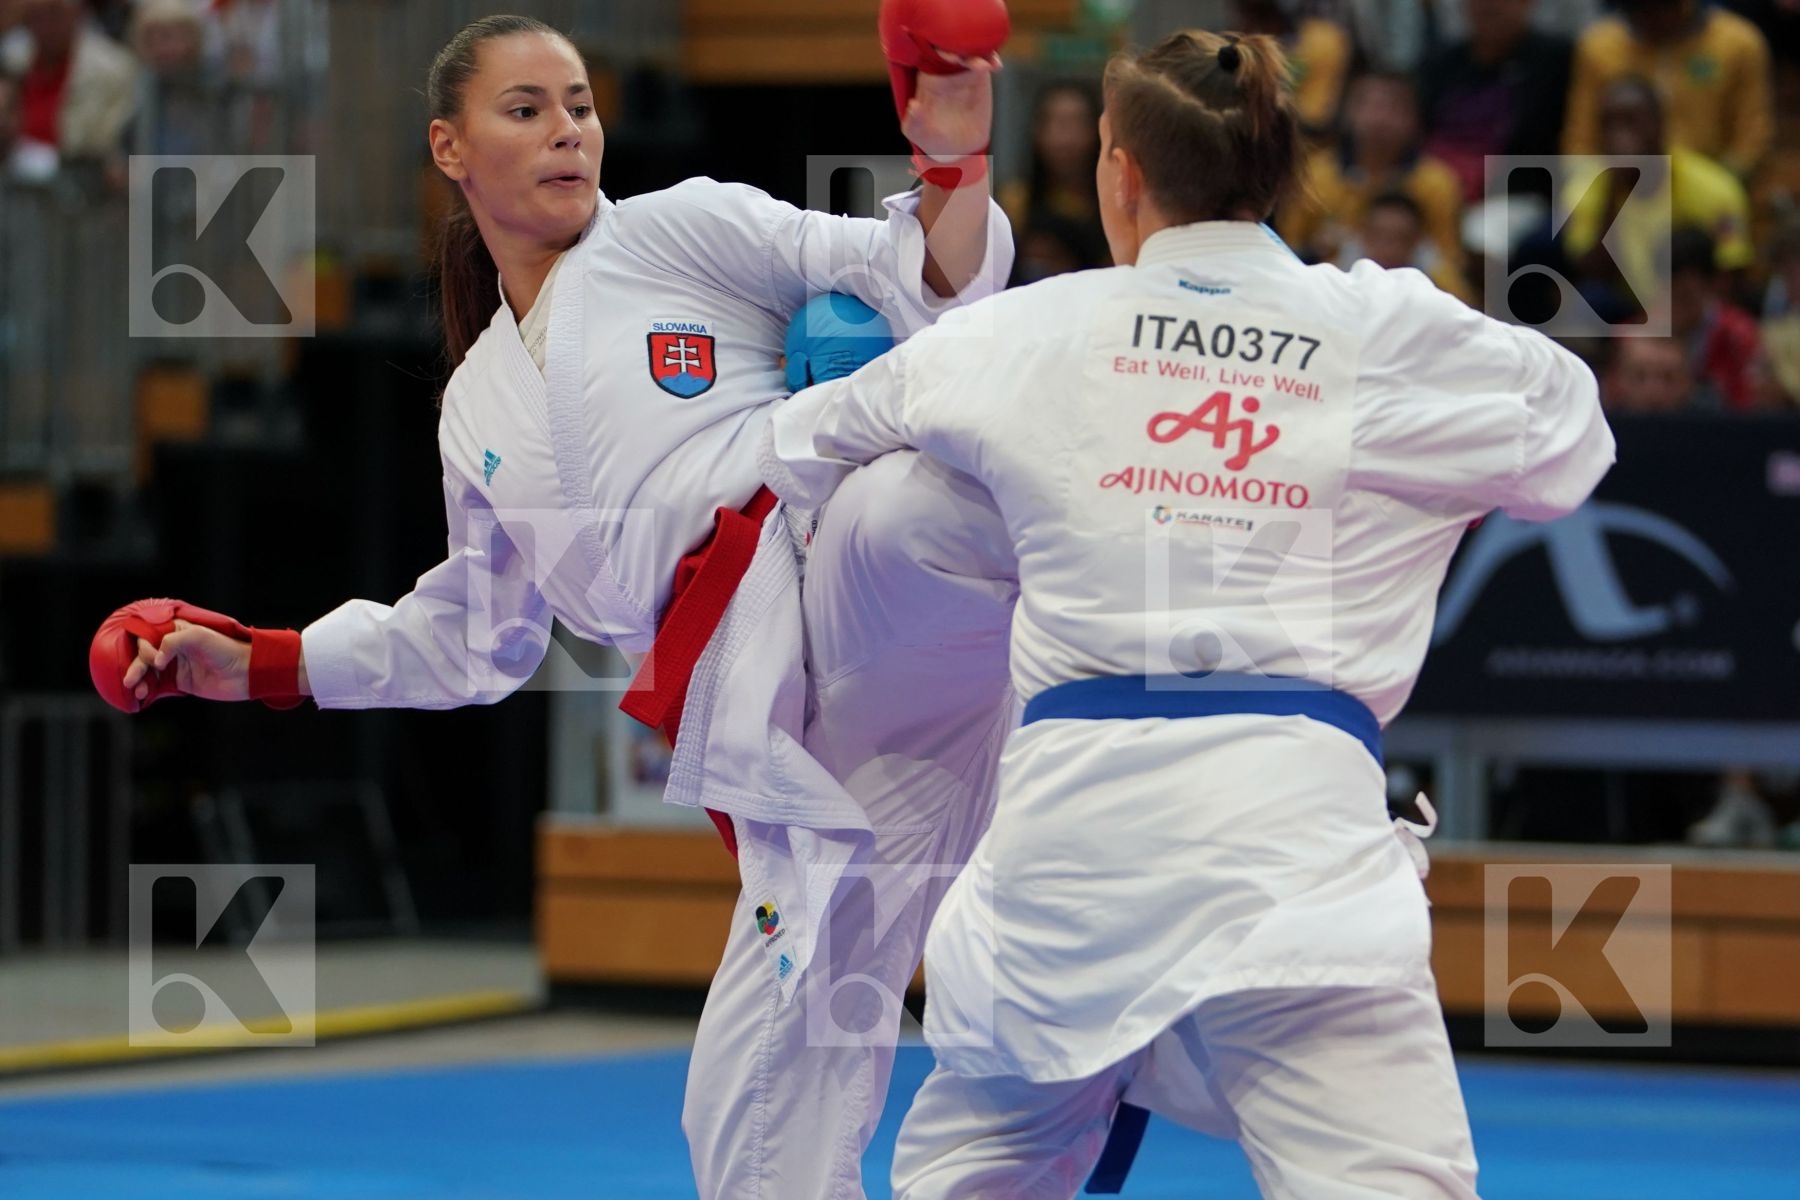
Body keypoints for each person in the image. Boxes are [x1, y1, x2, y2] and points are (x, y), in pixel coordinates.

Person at [93, 9, 1020, 1198]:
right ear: (449, 148)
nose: (566, 132)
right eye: (526, 111)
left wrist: (952, 159)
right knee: (746, 1134)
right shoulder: (474, 409)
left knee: (912, 499)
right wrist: (261, 662)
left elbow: (925, 276)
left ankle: (1171, 557)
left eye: (578, 106)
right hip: (793, 756)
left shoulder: (680, 229)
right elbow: (469, 640)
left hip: (838, 584)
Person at [763, 28, 1613, 1199]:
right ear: (1278, 173)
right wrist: (1406, 480)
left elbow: (807, 439)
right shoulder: (1381, 329)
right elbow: (1571, 433)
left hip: (1070, 860)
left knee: (977, 1171)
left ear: (1118, 173)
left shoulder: (1029, 330)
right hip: (1292, 851)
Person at [1560, 76, 1753, 324]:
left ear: (1660, 125)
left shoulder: (1714, 188)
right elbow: (1590, 271)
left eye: (1631, 123)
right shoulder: (1583, 189)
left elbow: (1731, 272)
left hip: (1693, 308)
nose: (1618, 136)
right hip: (1628, 308)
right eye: (1608, 125)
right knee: (1586, 304)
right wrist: (1614, 190)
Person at [1278, 70, 1465, 284]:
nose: (1380, 119)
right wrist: (1315, 250)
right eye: (1370, 106)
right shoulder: (1314, 173)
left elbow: (1449, 262)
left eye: (1394, 108)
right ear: (1348, 111)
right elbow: (1286, 250)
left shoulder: (1437, 182)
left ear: (1415, 118)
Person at [1562, 0, 1772, 181]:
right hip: (1620, 192)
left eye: (1660, 8)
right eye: (1641, 9)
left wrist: (1712, 188)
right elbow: (1580, 141)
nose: (1652, 18)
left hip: (1709, 190)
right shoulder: (1599, 47)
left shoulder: (1738, 44)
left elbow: (1751, 138)